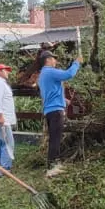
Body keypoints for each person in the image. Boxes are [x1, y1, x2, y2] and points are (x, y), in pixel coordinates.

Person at [37, 50, 81, 178]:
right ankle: (52, 167)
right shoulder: (50, 71)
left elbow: (49, 93)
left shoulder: (42, 75)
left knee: (54, 138)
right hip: (55, 111)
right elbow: (69, 74)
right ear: (48, 60)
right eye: (54, 58)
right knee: (56, 139)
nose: (55, 61)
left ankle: (52, 164)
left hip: (50, 110)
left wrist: (63, 100)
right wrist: (76, 63)